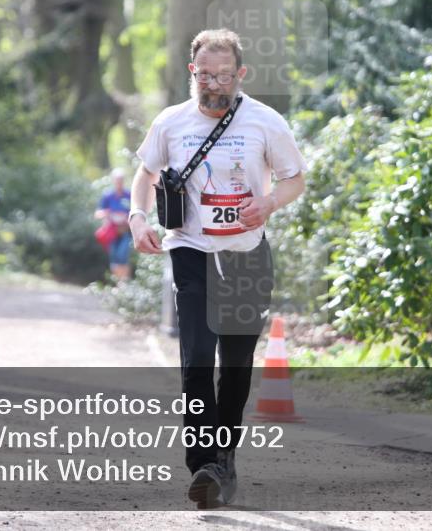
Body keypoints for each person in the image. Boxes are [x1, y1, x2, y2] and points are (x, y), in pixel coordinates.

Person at [129, 28, 306, 508]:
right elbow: (145, 173)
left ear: (240, 74)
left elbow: (295, 179)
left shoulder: (265, 122)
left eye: (224, 74)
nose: (214, 82)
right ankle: (203, 462)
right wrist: (137, 217)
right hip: (190, 249)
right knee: (196, 358)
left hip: (246, 252)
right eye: (206, 73)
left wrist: (269, 202)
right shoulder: (171, 122)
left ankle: (223, 455)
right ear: (193, 72)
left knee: (235, 362)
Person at [94, 168, 133, 281]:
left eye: (121, 180)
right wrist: (109, 214)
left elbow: (134, 212)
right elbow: (98, 213)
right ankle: (118, 283)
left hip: (125, 231)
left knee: (123, 257)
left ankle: (124, 283)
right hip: (112, 233)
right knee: (114, 258)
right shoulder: (108, 196)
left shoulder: (128, 195)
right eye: (117, 180)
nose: (119, 182)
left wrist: (126, 217)